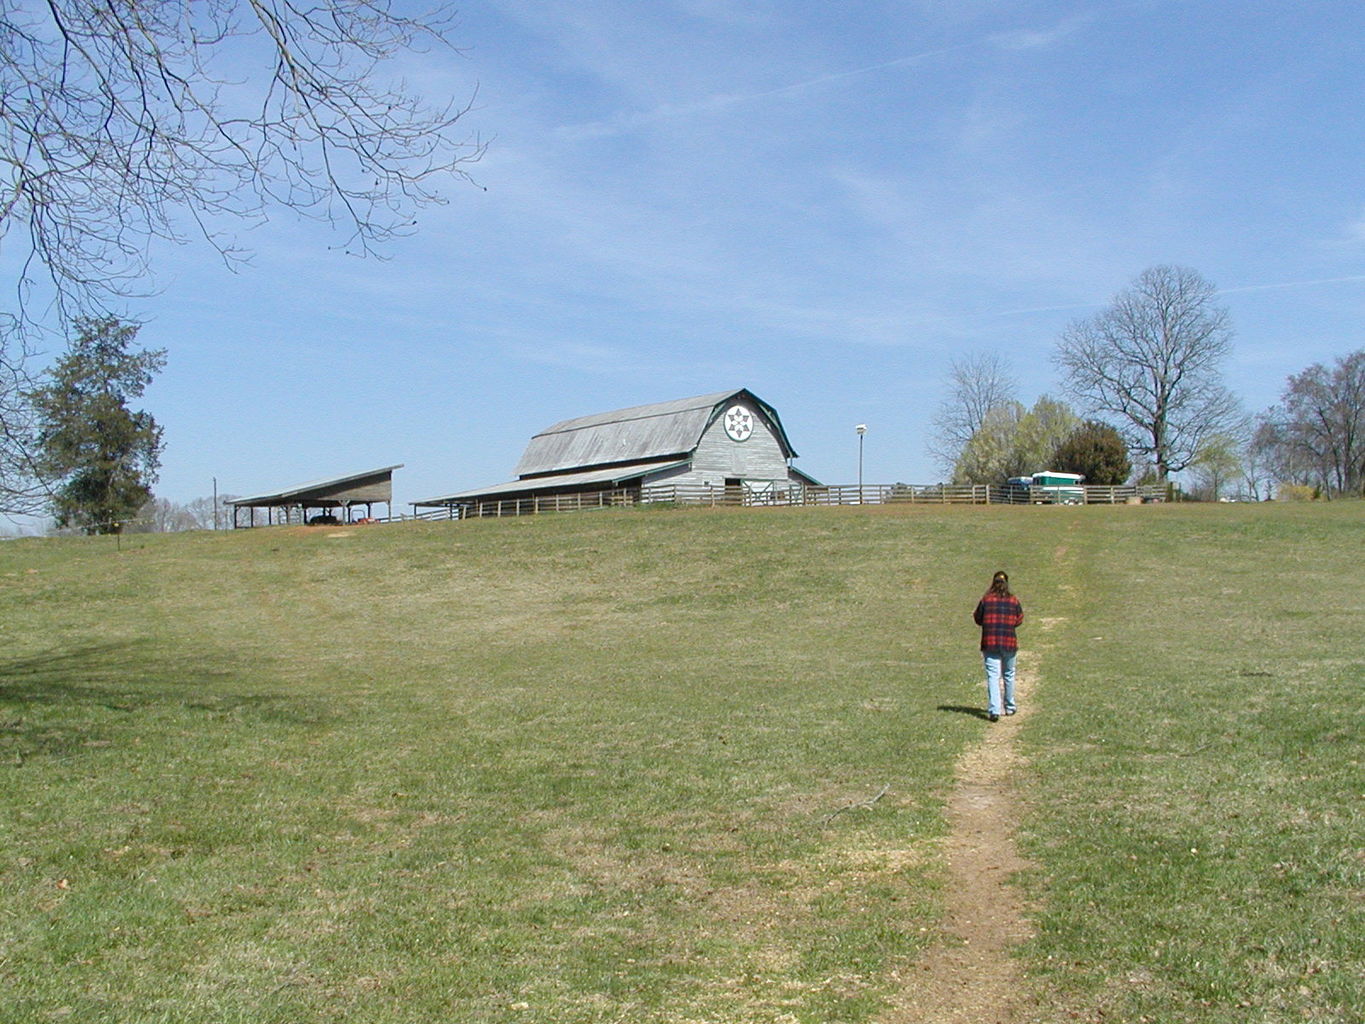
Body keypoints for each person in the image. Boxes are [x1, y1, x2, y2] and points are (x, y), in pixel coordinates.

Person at [973, 570, 1024, 722]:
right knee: (1008, 674)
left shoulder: (986, 600)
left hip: (990, 642)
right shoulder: (1013, 601)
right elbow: (1019, 619)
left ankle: (994, 710)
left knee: (993, 676)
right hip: (1009, 642)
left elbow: (977, 618)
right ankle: (1009, 707)